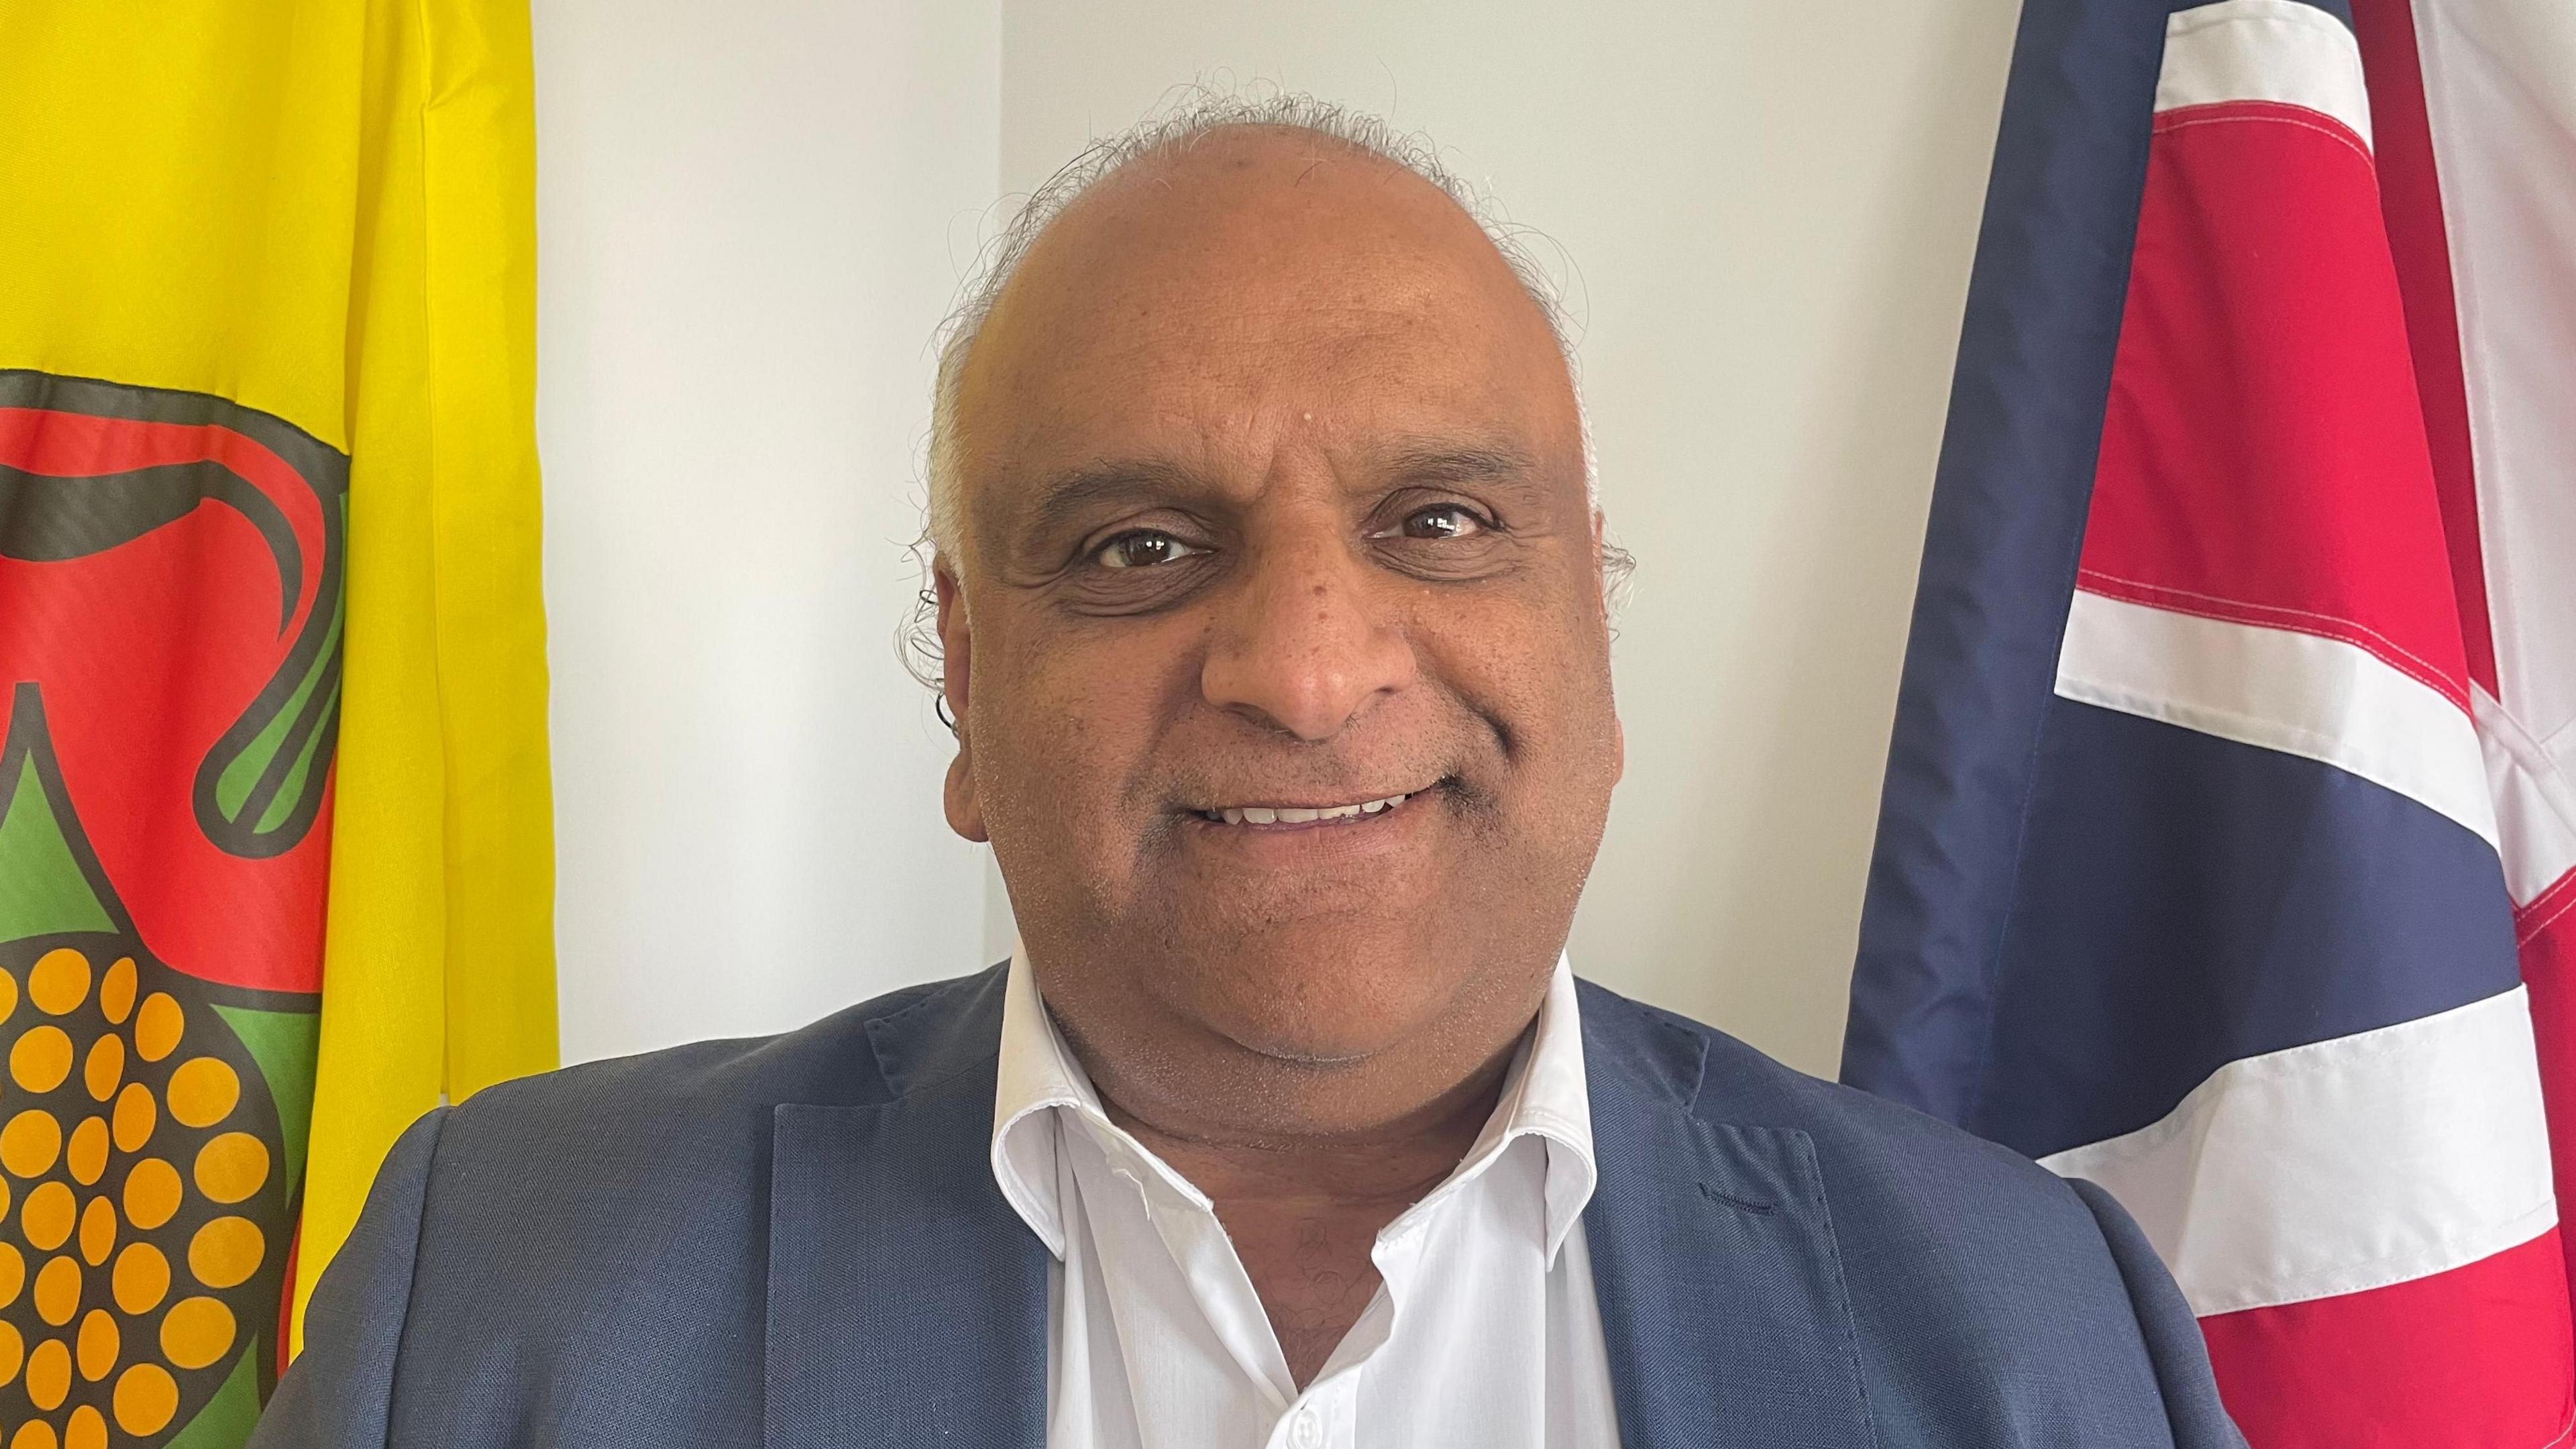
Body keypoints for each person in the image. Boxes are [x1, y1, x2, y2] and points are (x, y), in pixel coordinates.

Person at [252, 95, 2242, 1449]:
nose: (1304, 669)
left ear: (1599, 641)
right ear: (965, 678)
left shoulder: (2040, 1334)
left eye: (1443, 523)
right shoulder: (503, 1293)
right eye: (1135, 548)